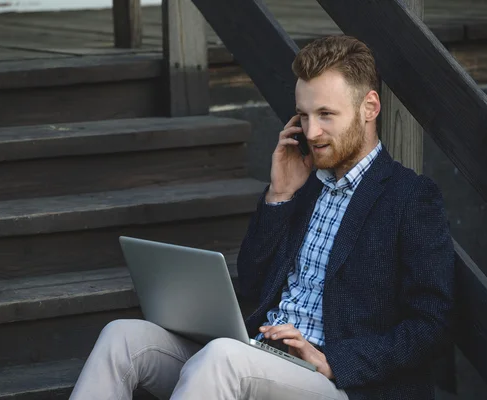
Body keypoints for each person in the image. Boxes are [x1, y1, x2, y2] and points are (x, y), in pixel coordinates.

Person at [70, 35, 455, 400]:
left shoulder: (410, 198)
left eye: (326, 115)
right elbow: (253, 281)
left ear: (369, 107)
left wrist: (333, 360)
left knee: (222, 358)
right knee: (122, 337)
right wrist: (279, 195)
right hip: (258, 355)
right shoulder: (303, 185)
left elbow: (431, 326)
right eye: (303, 116)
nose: (312, 131)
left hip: (339, 383)